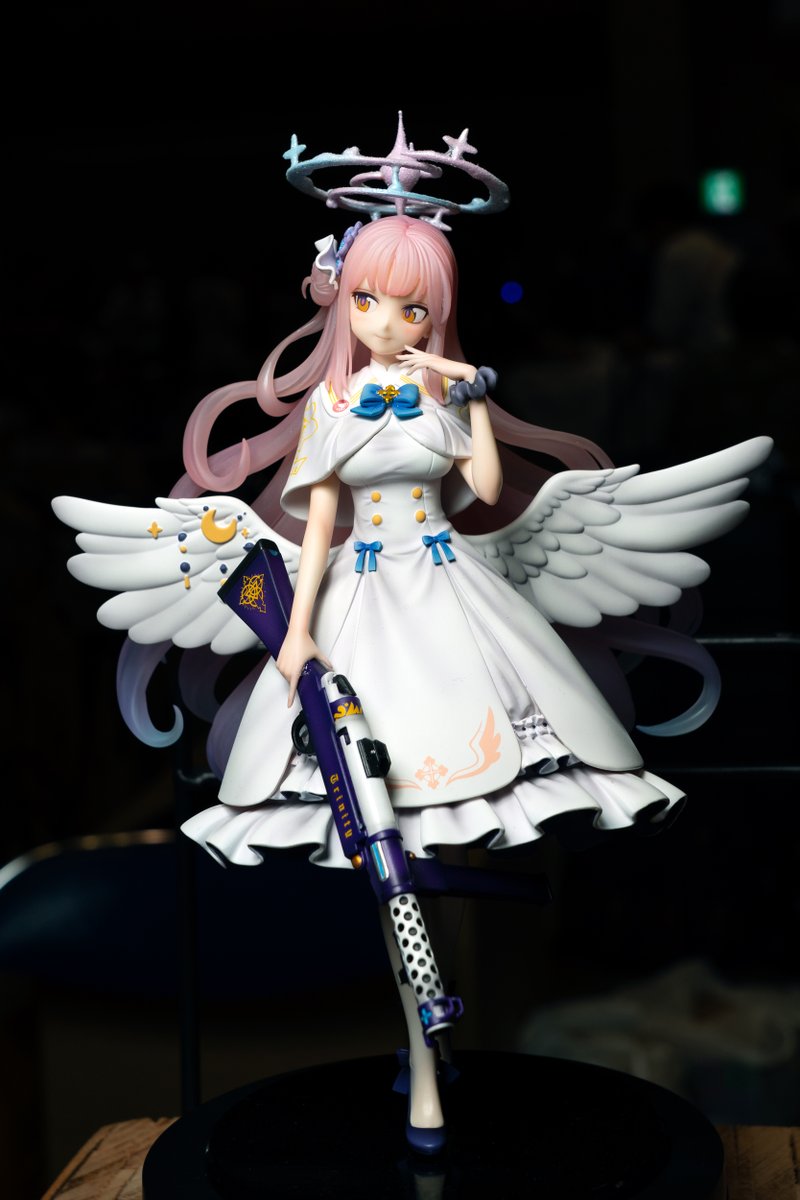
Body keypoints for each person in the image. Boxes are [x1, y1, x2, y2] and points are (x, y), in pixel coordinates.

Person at [52, 126, 772, 1155]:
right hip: (358, 604)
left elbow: (484, 490)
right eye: (367, 302)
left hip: (452, 593)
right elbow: (313, 534)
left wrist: (470, 402)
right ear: (341, 301)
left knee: (462, 814)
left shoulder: (441, 396)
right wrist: (296, 636)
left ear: (436, 313)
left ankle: (450, 1045)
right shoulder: (333, 407)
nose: (387, 323)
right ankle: (426, 1061)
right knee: (373, 836)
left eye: (412, 307)